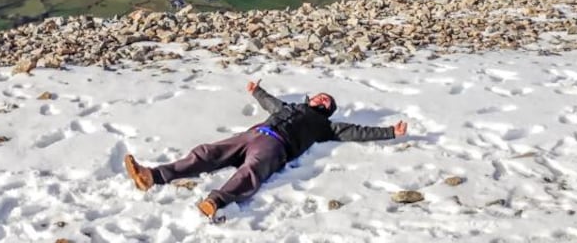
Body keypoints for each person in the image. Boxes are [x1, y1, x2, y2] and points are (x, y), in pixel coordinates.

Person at [124, 80, 408, 219]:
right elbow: (270, 103)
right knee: (206, 152)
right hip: (254, 133)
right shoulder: (290, 107)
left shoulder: (324, 126)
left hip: (276, 146)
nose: (321, 99)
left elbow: (357, 131)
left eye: (326, 101)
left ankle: (216, 202)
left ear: (327, 110)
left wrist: (389, 133)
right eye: (320, 96)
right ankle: (152, 176)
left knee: (251, 172)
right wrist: (256, 92)